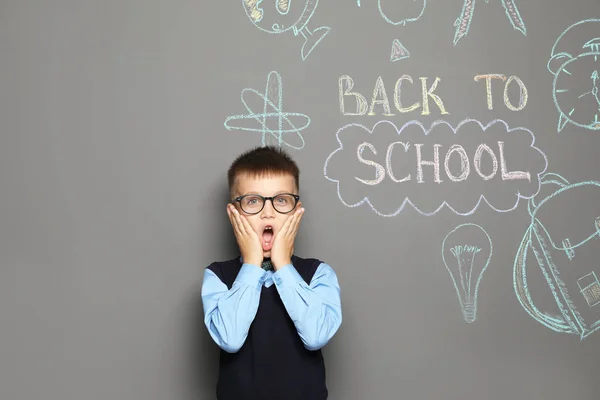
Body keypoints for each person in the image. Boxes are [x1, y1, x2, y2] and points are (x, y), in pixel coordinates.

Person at [201, 145, 343, 400]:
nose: (268, 212)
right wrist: (252, 265)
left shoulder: (319, 273)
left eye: (281, 200)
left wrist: (283, 263)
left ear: (297, 211)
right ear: (234, 213)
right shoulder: (217, 276)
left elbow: (316, 336)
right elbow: (230, 339)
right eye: (253, 201)